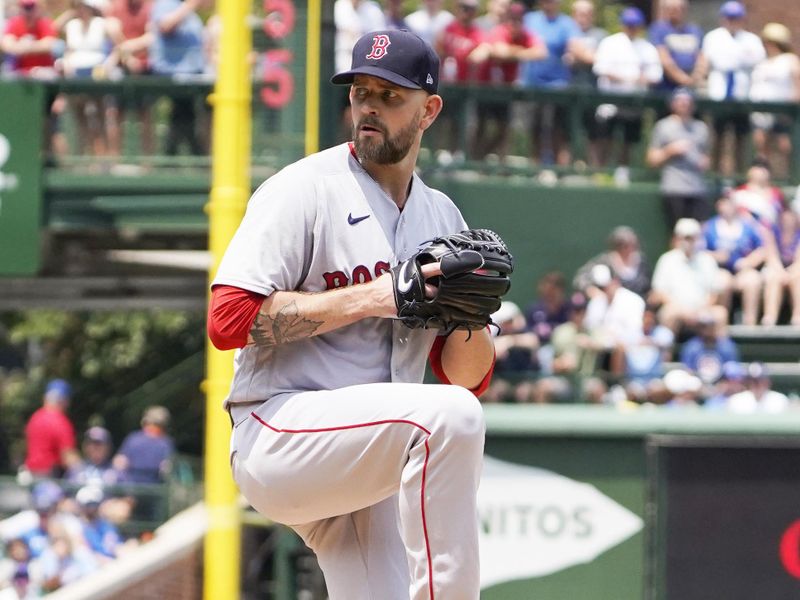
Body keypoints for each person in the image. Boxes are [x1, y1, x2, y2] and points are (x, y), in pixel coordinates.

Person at [208, 30, 496, 598]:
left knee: (453, 411)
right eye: (361, 91)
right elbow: (227, 320)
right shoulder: (303, 189)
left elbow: (467, 376)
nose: (370, 106)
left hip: (371, 460)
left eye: (391, 96)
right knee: (450, 418)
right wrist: (381, 295)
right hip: (281, 432)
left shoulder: (442, 216)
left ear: (429, 110)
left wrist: (472, 314)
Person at [467, 1, 546, 160]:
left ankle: (495, 162)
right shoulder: (500, 30)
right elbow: (499, 50)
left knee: (504, 129)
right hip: (486, 86)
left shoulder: (526, 34)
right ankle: (473, 159)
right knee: (480, 126)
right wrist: (520, 52)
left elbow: (541, 52)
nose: (515, 23)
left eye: (519, 20)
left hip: (506, 90)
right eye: (512, 19)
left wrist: (512, 52)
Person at [694, 1, 765, 175]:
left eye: (736, 18)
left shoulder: (751, 40)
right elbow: (703, 64)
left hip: (742, 96)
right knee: (716, 137)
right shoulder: (713, 37)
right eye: (729, 17)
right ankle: (714, 175)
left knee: (741, 140)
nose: (732, 21)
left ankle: (739, 176)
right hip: (719, 94)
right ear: (722, 18)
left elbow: (760, 66)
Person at [591, 7, 662, 177]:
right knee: (604, 139)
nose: (631, 28)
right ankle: (600, 174)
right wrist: (630, 78)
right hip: (610, 102)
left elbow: (655, 75)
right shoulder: (610, 42)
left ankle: (622, 175)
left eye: (635, 24)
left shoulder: (647, 47)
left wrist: (633, 78)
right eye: (628, 24)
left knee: (628, 143)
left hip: (634, 104)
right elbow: (600, 68)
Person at [521, 0, 581, 165]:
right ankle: (535, 166)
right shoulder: (530, 19)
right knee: (535, 130)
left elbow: (575, 45)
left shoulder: (566, 23)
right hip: (531, 86)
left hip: (558, 87)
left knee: (557, 131)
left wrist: (574, 54)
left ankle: (557, 169)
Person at [646, 86, 710, 229]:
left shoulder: (701, 128)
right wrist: (670, 150)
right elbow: (651, 159)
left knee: (699, 229)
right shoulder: (663, 126)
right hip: (674, 187)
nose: (684, 105)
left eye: (687, 102)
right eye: (680, 101)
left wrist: (704, 162)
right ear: (673, 104)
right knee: (677, 231)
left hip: (696, 187)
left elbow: (706, 158)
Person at [148, 0, 206, 155]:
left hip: (193, 75)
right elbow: (165, 26)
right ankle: (177, 157)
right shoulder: (166, 4)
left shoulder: (189, 10)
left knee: (188, 117)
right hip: (171, 75)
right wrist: (190, 5)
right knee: (182, 117)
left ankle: (186, 155)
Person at [650, 218, 727, 333]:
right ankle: (667, 351)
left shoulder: (708, 260)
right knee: (668, 313)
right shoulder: (667, 259)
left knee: (721, 314)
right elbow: (660, 293)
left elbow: (714, 293)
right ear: (678, 238)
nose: (690, 242)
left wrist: (700, 310)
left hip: (703, 310)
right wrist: (684, 311)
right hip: (677, 309)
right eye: (686, 238)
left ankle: (719, 351)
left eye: (693, 238)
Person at [703, 192, 766, 325]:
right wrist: (716, 256)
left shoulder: (748, 225)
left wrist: (749, 262)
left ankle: (750, 323)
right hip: (720, 270)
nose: (727, 206)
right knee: (723, 282)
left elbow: (762, 249)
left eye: (730, 202)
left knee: (753, 280)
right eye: (724, 203)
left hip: (742, 270)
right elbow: (700, 252)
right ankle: (722, 324)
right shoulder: (709, 227)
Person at [749, 23, 800, 178]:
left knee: (783, 145)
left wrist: (792, 106)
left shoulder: (789, 59)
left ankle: (786, 177)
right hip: (760, 111)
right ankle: (763, 177)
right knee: (761, 147)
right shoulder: (761, 62)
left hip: (782, 110)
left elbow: (797, 83)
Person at [23, 380, 80, 479]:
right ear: (65, 401)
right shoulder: (61, 422)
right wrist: (85, 470)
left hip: (30, 474)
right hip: (49, 477)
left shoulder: (35, 417)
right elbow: (68, 456)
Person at [573, 225, 651, 298]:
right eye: (625, 246)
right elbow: (580, 278)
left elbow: (647, 286)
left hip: (638, 305)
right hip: (613, 306)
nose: (630, 249)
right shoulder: (606, 260)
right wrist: (592, 291)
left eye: (633, 245)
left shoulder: (641, 261)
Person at [648, 0, 703, 92]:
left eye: (679, 8)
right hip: (667, 85)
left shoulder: (694, 30)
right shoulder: (658, 29)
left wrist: (696, 76)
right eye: (671, 9)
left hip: (692, 84)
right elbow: (664, 58)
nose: (675, 11)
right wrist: (684, 79)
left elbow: (701, 56)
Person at [112, 406, 173, 484]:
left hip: (131, 488)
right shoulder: (166, 443)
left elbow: (119, 462)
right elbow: (167, 468)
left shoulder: (133, 438)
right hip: (154, 490)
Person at [678, 312, 739, 385]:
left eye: (710, 326)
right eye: (703, 326)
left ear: (714, 327)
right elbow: (688, 370)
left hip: (722, 386)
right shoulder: (691, 347)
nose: (706, 330)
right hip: (698, 386)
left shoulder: (726, 346)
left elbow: (732, 370)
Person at [762, 208, 800, 326]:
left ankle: (797, 317)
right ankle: (770, 317)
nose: (787, 221)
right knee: (774, 278)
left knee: (797, 277)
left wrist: (790, 272)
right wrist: (781, 272)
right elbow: (772, 256)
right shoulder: (772, 232)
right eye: (785, 218)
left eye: (790, 218)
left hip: (795, 268)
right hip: (776, 268)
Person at [730, 159, 785, 228]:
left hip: (773, 231)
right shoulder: (740, 192)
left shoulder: (776, 193)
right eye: (757, 167)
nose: (760, 172)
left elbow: (782, 215)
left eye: (764, 168)